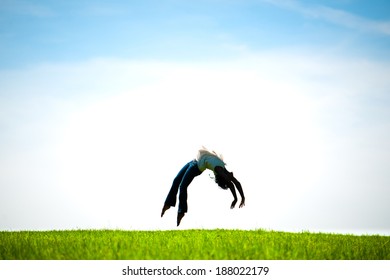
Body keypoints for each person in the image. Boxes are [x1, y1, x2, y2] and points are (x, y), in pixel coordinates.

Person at [161, 147, 245, 226]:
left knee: (183, 186)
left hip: (196, 167)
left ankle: (181, 211)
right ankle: (168, 203)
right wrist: (239, 198)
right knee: (176, 180)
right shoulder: (223, 168)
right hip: (193, 161)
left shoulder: (219, 170)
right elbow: (236, 183)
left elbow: (230, 183)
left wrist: (236, 196)